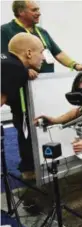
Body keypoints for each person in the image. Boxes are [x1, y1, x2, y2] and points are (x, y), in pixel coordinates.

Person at [1, 0, 82, 79]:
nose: (39, 13)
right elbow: (5, 59)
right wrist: (24, 71)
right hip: (23, 83)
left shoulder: (42, 32)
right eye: (34, 10)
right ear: (21, 12)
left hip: (45, 82)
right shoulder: (6, 30)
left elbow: (58, 54)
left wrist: (75, 65)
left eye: (38, 10)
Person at [1, 32, 45, 180]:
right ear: (28, 53)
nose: (43, 57)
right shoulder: (14, 68)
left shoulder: (8, 61)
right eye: (41, 52)